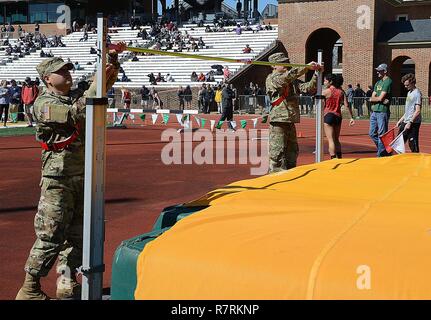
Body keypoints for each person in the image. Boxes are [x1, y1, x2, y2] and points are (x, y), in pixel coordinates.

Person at [15, 42, 126, 300]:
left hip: (82, 176)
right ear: (47, 79)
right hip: (58, 179)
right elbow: (79, 113)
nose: (68, 73)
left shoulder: (74, 94)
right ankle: (29, 288)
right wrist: (97, 83)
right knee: (51, 233)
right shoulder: (43, 103)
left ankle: (66, 281)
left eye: (68, 69)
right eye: (61, 71)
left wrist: (111, 59)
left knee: (77, 236)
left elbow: (103, 85)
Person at [266, 52, 322, 173]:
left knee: (292, 153)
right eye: (283, 63)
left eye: (287, 62)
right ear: (273, 66)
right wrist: (306, 67)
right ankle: (275, 179)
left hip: (290, 119)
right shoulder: (273, 78)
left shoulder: (292, 80)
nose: (286, 65)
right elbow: (286, 77)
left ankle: (290, 176)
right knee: (277, 154)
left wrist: (316, 74)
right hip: (279, 121)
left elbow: (308, 88)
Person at [322, 74, 355, 159]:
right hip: (338, 116)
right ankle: (339, 157)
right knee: (336, 139)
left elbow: (321, 105)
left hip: (328, 115)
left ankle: (333, 158)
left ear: (331, 81)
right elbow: (347, 105)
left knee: (330, 140)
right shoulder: (341, 92)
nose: (324, 82)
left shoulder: (326, 92)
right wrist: (351, 117)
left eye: (325, 81)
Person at [369, 63, 392, 157]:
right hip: (375, 111)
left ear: (385, 71)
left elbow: (379, 98)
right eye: (377, 70)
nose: (377, 72)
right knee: (371, 133)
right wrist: (375, 99)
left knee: (382, 133)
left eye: (379, 70)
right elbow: (373, 97)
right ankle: (384, 150)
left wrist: (374, 99)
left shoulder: (388, 81)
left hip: (382, 111)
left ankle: (380, 155)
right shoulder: (378, 83)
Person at [395, 73, 422, 153]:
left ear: (412, 83)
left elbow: (417, 110)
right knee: (399, 141)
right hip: (405, 121)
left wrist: (410, 122)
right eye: (405, 85)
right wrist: (400, 120)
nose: (405, 87)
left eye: (407, 85)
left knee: (412, 143)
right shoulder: (409, 92)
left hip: (413, 123)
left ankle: (416, 160)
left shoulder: (417, 93)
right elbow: (408, 110)